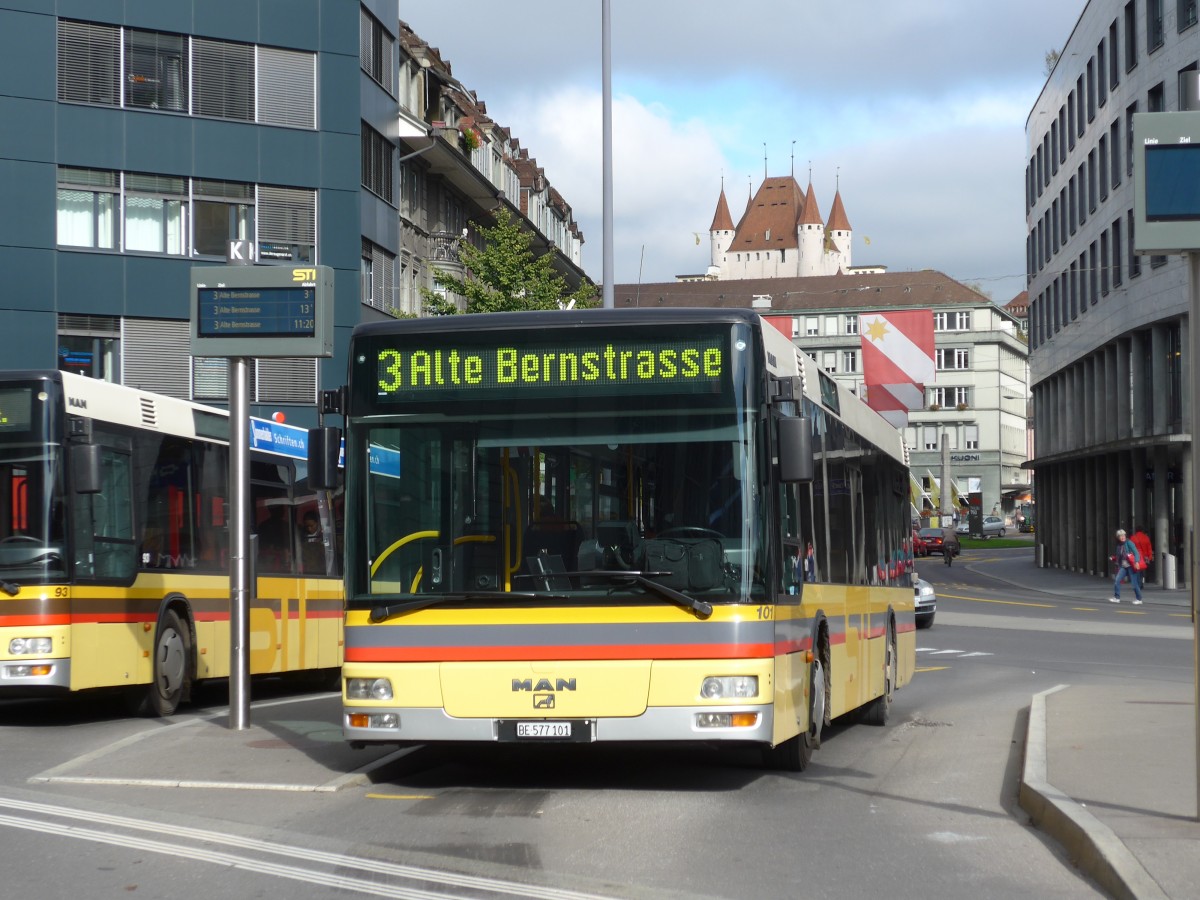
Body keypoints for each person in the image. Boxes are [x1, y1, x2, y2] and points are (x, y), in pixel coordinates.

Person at [1110, 528, 1143, 605]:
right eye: (1120, 536)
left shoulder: (1129, 543)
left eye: (1123, 535)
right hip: (1123, 566)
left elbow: (1136, 553)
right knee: (1117, 581)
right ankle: (1117, 598)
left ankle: (1139, 599)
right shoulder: (1119, 545)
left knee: (1134, 584)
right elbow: (1120, 556)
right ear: (1118, 537)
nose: (1122, 537)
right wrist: (1114, 558)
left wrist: (1137, 562)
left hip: (1131, 566)